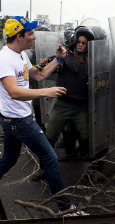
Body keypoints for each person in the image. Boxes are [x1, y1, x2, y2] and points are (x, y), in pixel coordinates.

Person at [0, 16, 87, 215]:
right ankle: (66, 209)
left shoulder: (20, 54)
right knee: (49, 157)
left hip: (13, 120)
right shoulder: (4, 59)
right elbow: (14, 92)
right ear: (19, 36)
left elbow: (38, 75)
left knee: (9, 159)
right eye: (30, 34)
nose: (34, 37)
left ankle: (66, 208)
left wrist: (58, 59)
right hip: (19, 121)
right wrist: (46, 92)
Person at [45, 26, 95, 159]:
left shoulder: (91, 63)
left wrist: (94, 83)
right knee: (49, 137)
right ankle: (45, 168)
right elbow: (53, 67)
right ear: (74, 42)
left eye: (84, 43)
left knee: (86, 136)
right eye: (79, 42)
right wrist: (45, 63)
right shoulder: (64, 58)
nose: (81, 45)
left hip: (80, 107)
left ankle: (83, 157)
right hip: (62, 106)